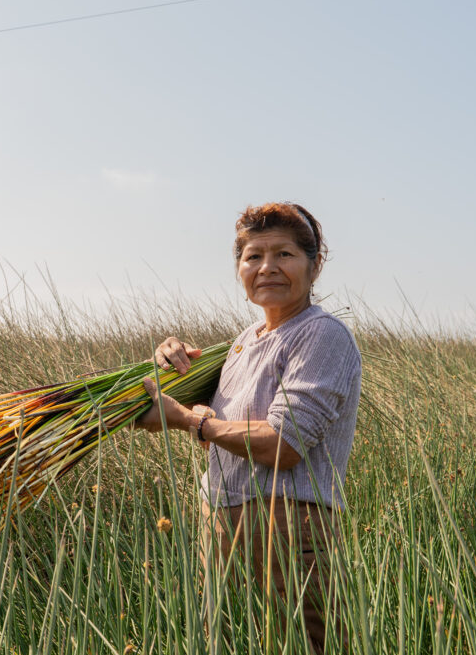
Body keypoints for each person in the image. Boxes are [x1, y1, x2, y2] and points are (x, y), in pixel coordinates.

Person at [135, 202, 362, 652]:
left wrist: (189, 421)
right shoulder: (243, 342)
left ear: (315, 265)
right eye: (253, 256)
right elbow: (218, 430)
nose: (267, 267)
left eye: (284, 254)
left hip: (289, 530)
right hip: (221, 525)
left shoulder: (321, 335)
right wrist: (166, 365)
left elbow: (284, 444)